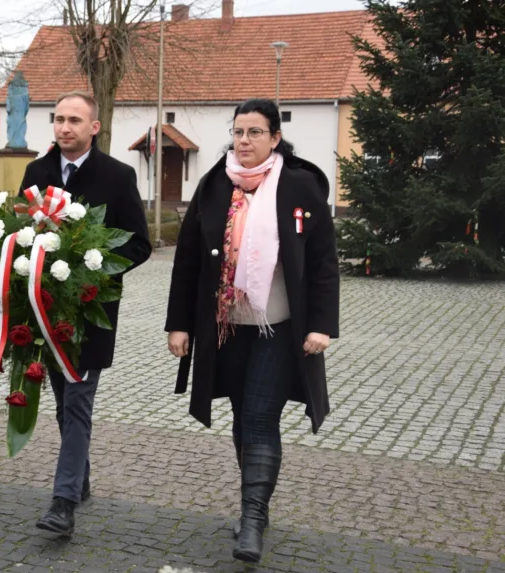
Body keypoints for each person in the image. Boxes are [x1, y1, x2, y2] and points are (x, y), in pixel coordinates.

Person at [165, 99, 339, 563]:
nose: (244, 141)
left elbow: (323, 263)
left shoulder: (299, 186)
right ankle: (254, 509)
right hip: (227, 327)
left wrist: (322, 326)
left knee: (261, 416)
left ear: (274, 138)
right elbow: (187, 261)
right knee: (242, 417)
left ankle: (252, 519)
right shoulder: (214, 184)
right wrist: (178, 324)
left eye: (255, 132)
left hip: (280, 327)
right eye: (238, 132)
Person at [19, 91, 152, 535]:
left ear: (94, 127)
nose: (64, 127)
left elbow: (138, 243)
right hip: (44, 311)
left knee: (77, 403)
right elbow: (21, 234)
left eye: (75, 120)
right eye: (58, 119)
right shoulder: (35, 172)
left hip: (90, 309)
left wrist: (94, 269)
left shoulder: (117, 175)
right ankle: (80, 476)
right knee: (61, 402)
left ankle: (63, 502)